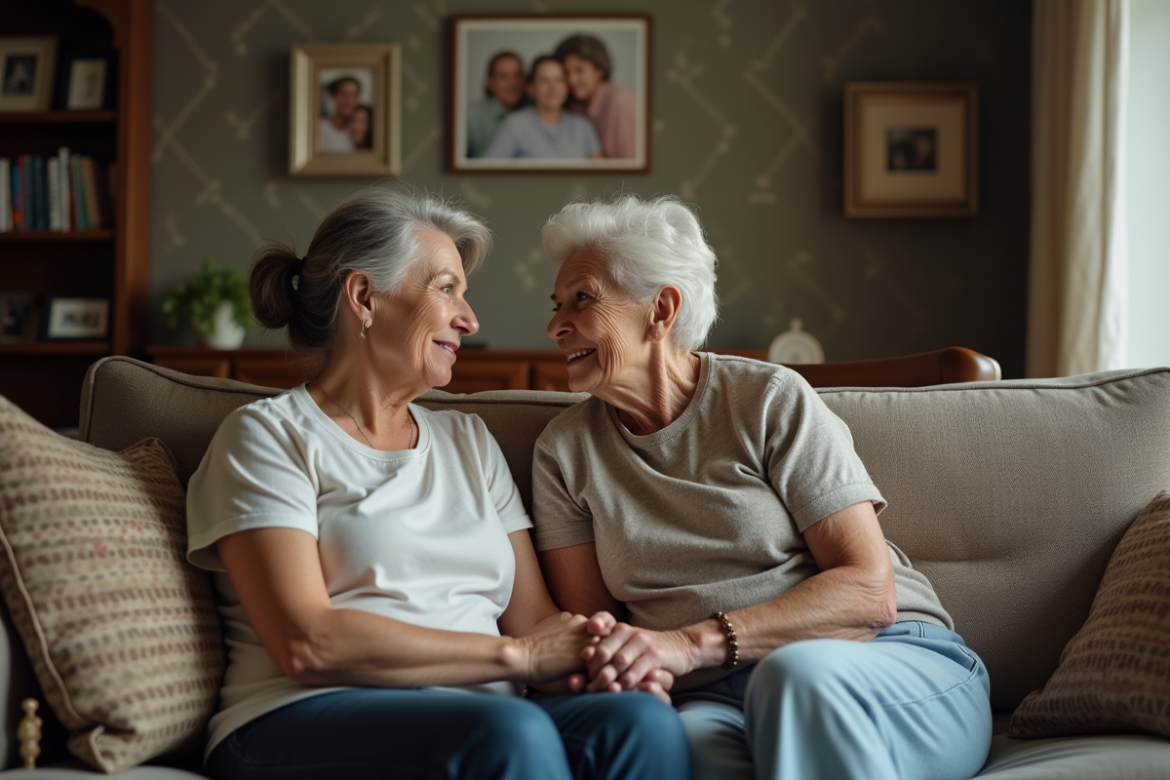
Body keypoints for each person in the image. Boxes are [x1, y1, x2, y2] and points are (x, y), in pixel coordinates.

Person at [185, 186, 691, 780]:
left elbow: (533, 621)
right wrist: (519, 658)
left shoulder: (468, 442)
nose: (469, 319)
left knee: (639, 720)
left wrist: (608, 654)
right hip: (298, 716)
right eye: (446, 288)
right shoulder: (268, 438)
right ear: (364, 296)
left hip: (484, 717)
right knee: (509, 733)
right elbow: (308, 642)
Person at [532, 194, 994, 780]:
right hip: (715, 699)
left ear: (661, 309)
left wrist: (690, 644)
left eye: (581, 300)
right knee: (682, 751)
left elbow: (868, 593)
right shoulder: (563, 451)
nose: (554, 326)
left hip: (888, 661)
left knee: (794, 677)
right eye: (555, 305)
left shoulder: (767, 400)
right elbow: (597, 633)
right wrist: (627, 670)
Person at [483, 55, 601, 160]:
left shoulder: (583, 126)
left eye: (559, 80)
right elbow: (486, 173)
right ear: (531, 88)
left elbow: (601, 175)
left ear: (567, 86)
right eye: (544, 80)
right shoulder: (514, 125)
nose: (553, 88)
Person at [554, 34, 637, 159]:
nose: (571, 80)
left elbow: (633, 169)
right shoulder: (573, 105)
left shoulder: (621, 102)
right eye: (566, 72)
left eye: (580, 70)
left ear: (600, 71)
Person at [465, 51, 527, 158]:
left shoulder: (534, 114)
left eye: (517, 75)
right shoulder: (469, 116)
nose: (512, 82)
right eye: (503, 76)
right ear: (490, 82)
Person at [319, 75, 361, 153]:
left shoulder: (362, 131)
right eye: (344, 94)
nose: (349, 101)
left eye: (354, 95)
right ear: (334, 96)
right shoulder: (319, 128)